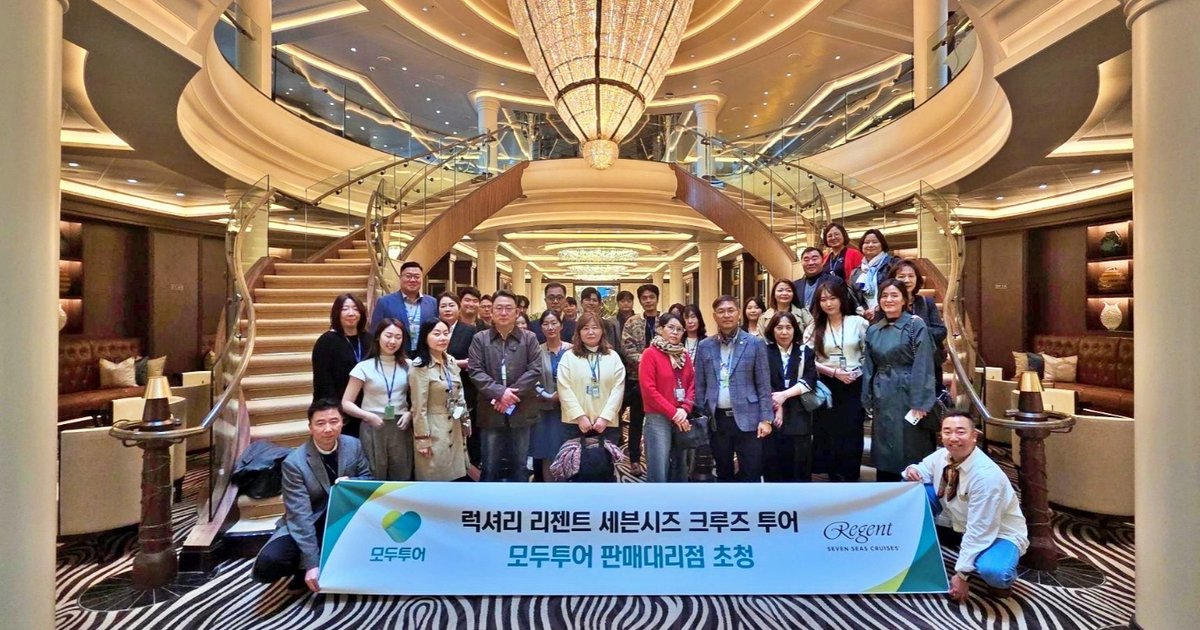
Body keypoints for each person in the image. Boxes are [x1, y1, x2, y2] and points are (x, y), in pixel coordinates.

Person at [251, 399, 372, 592]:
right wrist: (310, 563)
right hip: (312, 519)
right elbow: (300, 515)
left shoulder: (353, 445)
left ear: (342, 422)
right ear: (310, 427)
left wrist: (352, 482)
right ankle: (305, 568)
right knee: (270, 562)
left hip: (346, 517)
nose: (328, 429)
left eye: (334, 421)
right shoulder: (294, 463)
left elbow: (369, 479)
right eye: (320, 423)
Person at [905, 413, 1029, 601]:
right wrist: (912, 470)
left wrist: (962, 575)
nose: (953, 438)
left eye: (960, 432)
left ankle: (1002, 569)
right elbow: (923, 468)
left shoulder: (986, 477)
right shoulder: (943, 455)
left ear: (974, 436)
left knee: (994, 572)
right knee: (912, 489)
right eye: (947, 432)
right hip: (961, 521)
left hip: (999, 532)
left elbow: (981, 529)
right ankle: (911, 545)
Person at [862, 279, 938, 481]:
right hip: (882, 391)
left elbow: (924, 363)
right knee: (884, 442)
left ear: (905, 299)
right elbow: (868, 366)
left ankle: (913, 488)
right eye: (884, 296)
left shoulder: (915, 325)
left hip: (909, 391)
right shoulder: (873, 330)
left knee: (911, 442)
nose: (889, 300)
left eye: (894, 295)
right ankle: (886, 487)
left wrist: (921, 401)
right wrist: (867, 396)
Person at [694, 296, 774, 482]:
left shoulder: (755, 344)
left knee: (751, 471)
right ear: (714, 316)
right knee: (723, 471)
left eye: (730, 310)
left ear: (738, 313)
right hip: (717, 420)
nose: (726, 315)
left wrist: (766, 419)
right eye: (721, 311)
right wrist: (701, 416)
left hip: (749, 417)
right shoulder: (705, 346)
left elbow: (763, 384)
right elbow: (700, 385)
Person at [467, 290, 543, 482]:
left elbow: (535, 369)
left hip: (521, 409)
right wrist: (501, 393)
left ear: (517, 312)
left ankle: (519, 500)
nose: (503, 312)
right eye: (498, 308)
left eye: (508, 308)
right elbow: (475, 371)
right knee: (490, 465)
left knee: (520, 465)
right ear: (491, 312)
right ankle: (488, 501)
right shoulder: (480, 339)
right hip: (490, 410)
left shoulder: (529, 338)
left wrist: (508, 397)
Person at [808, 279, 870, 481]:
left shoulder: (857, 322)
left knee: (852, 429)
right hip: (826, 384)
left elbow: (869, 354)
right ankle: (830, 473)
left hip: (853, 382)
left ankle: (849, 473)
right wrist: (833, 372)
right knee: (827, 430)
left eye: (832, 298)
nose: (828, 303)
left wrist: (856, 372)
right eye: (823, 299)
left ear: (841, 299)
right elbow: (807, 359)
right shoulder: (815, 326)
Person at [342, 318, 413, 480]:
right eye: (388, 335)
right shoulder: (363, 367)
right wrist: (367, 416)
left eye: (398, 337)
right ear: (378, 337)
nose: (392, 341)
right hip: (372, 425)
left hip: (400, 426)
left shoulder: (409, 366)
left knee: (402, 473)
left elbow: (419, 398)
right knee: (374, 473)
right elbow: (346, 403)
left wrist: (410, 413)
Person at [409, 320, 470, 481]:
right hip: (433, 428)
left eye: (446, 333)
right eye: (436, 334)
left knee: (455, 478)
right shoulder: (420, 366)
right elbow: (418, 407)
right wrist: (422, 439)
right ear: (425, 337)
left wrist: (465, 421)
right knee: (435, 477)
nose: (442, 338)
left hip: (455, 426)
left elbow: (460, 394)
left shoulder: (450, 361)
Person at [639, 312, 695, 483]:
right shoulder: (650, 354)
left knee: (681, 466)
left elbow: (692, 384)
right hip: (658, 418)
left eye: (679, 329)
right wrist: (674, 412)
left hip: (682, 416)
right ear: (660, 329)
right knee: (659, 468)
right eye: (670, 327)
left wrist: (685, 409)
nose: (675, 332)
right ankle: (658, 499)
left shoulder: (684, 355)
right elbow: (649, 390)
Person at [763, 311, 818, 482]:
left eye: (788, 327)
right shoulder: (764, 352)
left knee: (799, 467)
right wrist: (777, 405)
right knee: (774, 466)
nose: (784, 332)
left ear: (795, 330)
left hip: (799, 415)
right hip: (772, 415)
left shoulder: (805, 352)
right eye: (779, 328)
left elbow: (810, 380)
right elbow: (762, 381)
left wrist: (784, 396)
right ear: (772, 330)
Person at [557, 312, 626, 447]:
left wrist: (605, 418)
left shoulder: (613, 357)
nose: (590, 332)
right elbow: (564, 389)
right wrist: (580, 417)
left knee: (605, 459)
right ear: (579, 332)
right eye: (585, 328)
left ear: (602, 331)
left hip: (607, 423)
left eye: (595, 327)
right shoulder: (568, 357)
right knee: (575, 459)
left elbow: (618, 389)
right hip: (574, 423)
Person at [311, 293, 371, 437]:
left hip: (366, 409)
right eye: (345, 309)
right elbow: (323, 383)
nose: (351, 313)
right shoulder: (326, 341)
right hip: (338, 412)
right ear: (337, 313)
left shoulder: (369, 339)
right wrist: (336, 411)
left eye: (355, 309)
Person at [619, 284, 662, 475]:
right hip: (637, 379)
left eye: (651, 297)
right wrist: (648, 364)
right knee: (636, 420)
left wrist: (658, 366)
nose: (648, 301)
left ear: (657, 298)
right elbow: (627, 348)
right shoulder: (632, 322)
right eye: (644, 298)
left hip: (662, 381)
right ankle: (635, 459)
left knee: (659, 422)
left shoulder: (665, 321)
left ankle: (659, 459)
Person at [889, 259, 948, 394]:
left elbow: (941, 331)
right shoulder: (887, 304)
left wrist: (917, 331)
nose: (907, 280)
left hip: (928, 366)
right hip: (898, 368)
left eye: (911, 276)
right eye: (901, 276)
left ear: (917, 279)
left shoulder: (926, 302)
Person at [529, 310, 570, 482]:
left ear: (561, 325)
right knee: (547, 449)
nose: (550, 327)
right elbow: (531, 378)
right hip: (544, 408)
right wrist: (545, 394)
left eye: (554, 323)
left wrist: (562, 395)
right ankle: (549, 488)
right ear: (541, 328)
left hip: (568, 409)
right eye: (546, 324)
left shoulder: (572, 350)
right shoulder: (536, 351)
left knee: (567, 448)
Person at [370, 261, 436, 353]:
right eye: (408, 276)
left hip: (425, 355)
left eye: (417, 277)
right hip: (395, 355)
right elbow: (375, 332)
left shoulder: (432, 303)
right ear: (400, 278)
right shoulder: (384, 302)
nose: (412, 280)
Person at [849, 229, 896, 320]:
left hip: (889, 313)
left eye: (874, 242)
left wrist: (877, 308)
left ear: (882, 245)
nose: (870, 245)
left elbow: (899, 290)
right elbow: (852, 295)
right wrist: (862, 310)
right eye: (866, 242)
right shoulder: (857, 271)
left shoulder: (893, 264)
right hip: (865, 316)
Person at [438, 292, 476, 370]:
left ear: (459, 309)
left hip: (461, 375)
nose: (447, 309)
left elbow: (473, 361)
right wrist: (457, 363)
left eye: (451, 305)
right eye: (443, 306)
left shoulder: (470, 331)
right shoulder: (431, 330)